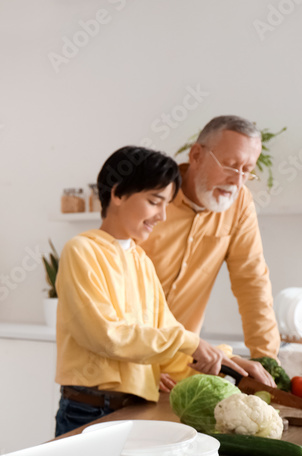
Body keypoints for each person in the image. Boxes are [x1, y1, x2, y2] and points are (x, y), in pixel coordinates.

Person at [54, 147, 266, 437]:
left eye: (167, 204)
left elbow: (167, 337)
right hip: (88, 410)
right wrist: (189, 342)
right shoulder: (82, 250)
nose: (163, 215)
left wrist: (226, 360)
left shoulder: (141, 260)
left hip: (137, 408)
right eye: (155, 202)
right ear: (117, 194)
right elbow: (104, 334)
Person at [139, 115, 279, 383]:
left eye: (247, 170)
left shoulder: (239, 204)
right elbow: (117, 290)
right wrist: (134, 368)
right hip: (127, 366)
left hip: (178, 372)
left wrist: (266, 361)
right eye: (229, 165)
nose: (237, 181)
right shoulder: (151, 198)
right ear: (196, 155)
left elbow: (252, 281)